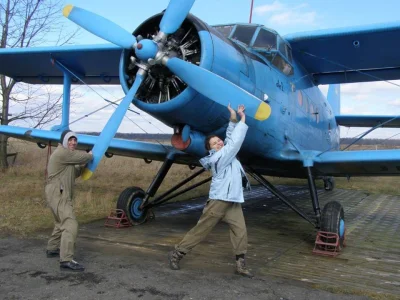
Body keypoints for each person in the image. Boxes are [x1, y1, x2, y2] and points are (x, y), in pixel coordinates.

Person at [168, 104, 253, 278]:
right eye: (214, 143)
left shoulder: (225, 151)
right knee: (202, 229)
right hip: (219, 200)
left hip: (233, 200)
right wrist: (243, 119)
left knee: (240, 231)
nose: (219, 143)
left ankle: (240, 264)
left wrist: (232, 117)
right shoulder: (218, 157)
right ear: (211, 149)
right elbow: (234, 142)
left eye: (219, 140)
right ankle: (177, 253)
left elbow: (230, 138)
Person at [45, 130, 93, 272]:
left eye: (75, 140)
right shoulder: (62, 153)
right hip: (58, 192)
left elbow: (75, 172)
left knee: (60, 222)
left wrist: (86, 163)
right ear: (64, 141)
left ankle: (52, 248)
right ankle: (66, 259)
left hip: (56, 192)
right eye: (70, 140)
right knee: (70, 223)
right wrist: (90, 154)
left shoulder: (67, 158)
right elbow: (84, 157)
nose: (73, 142)